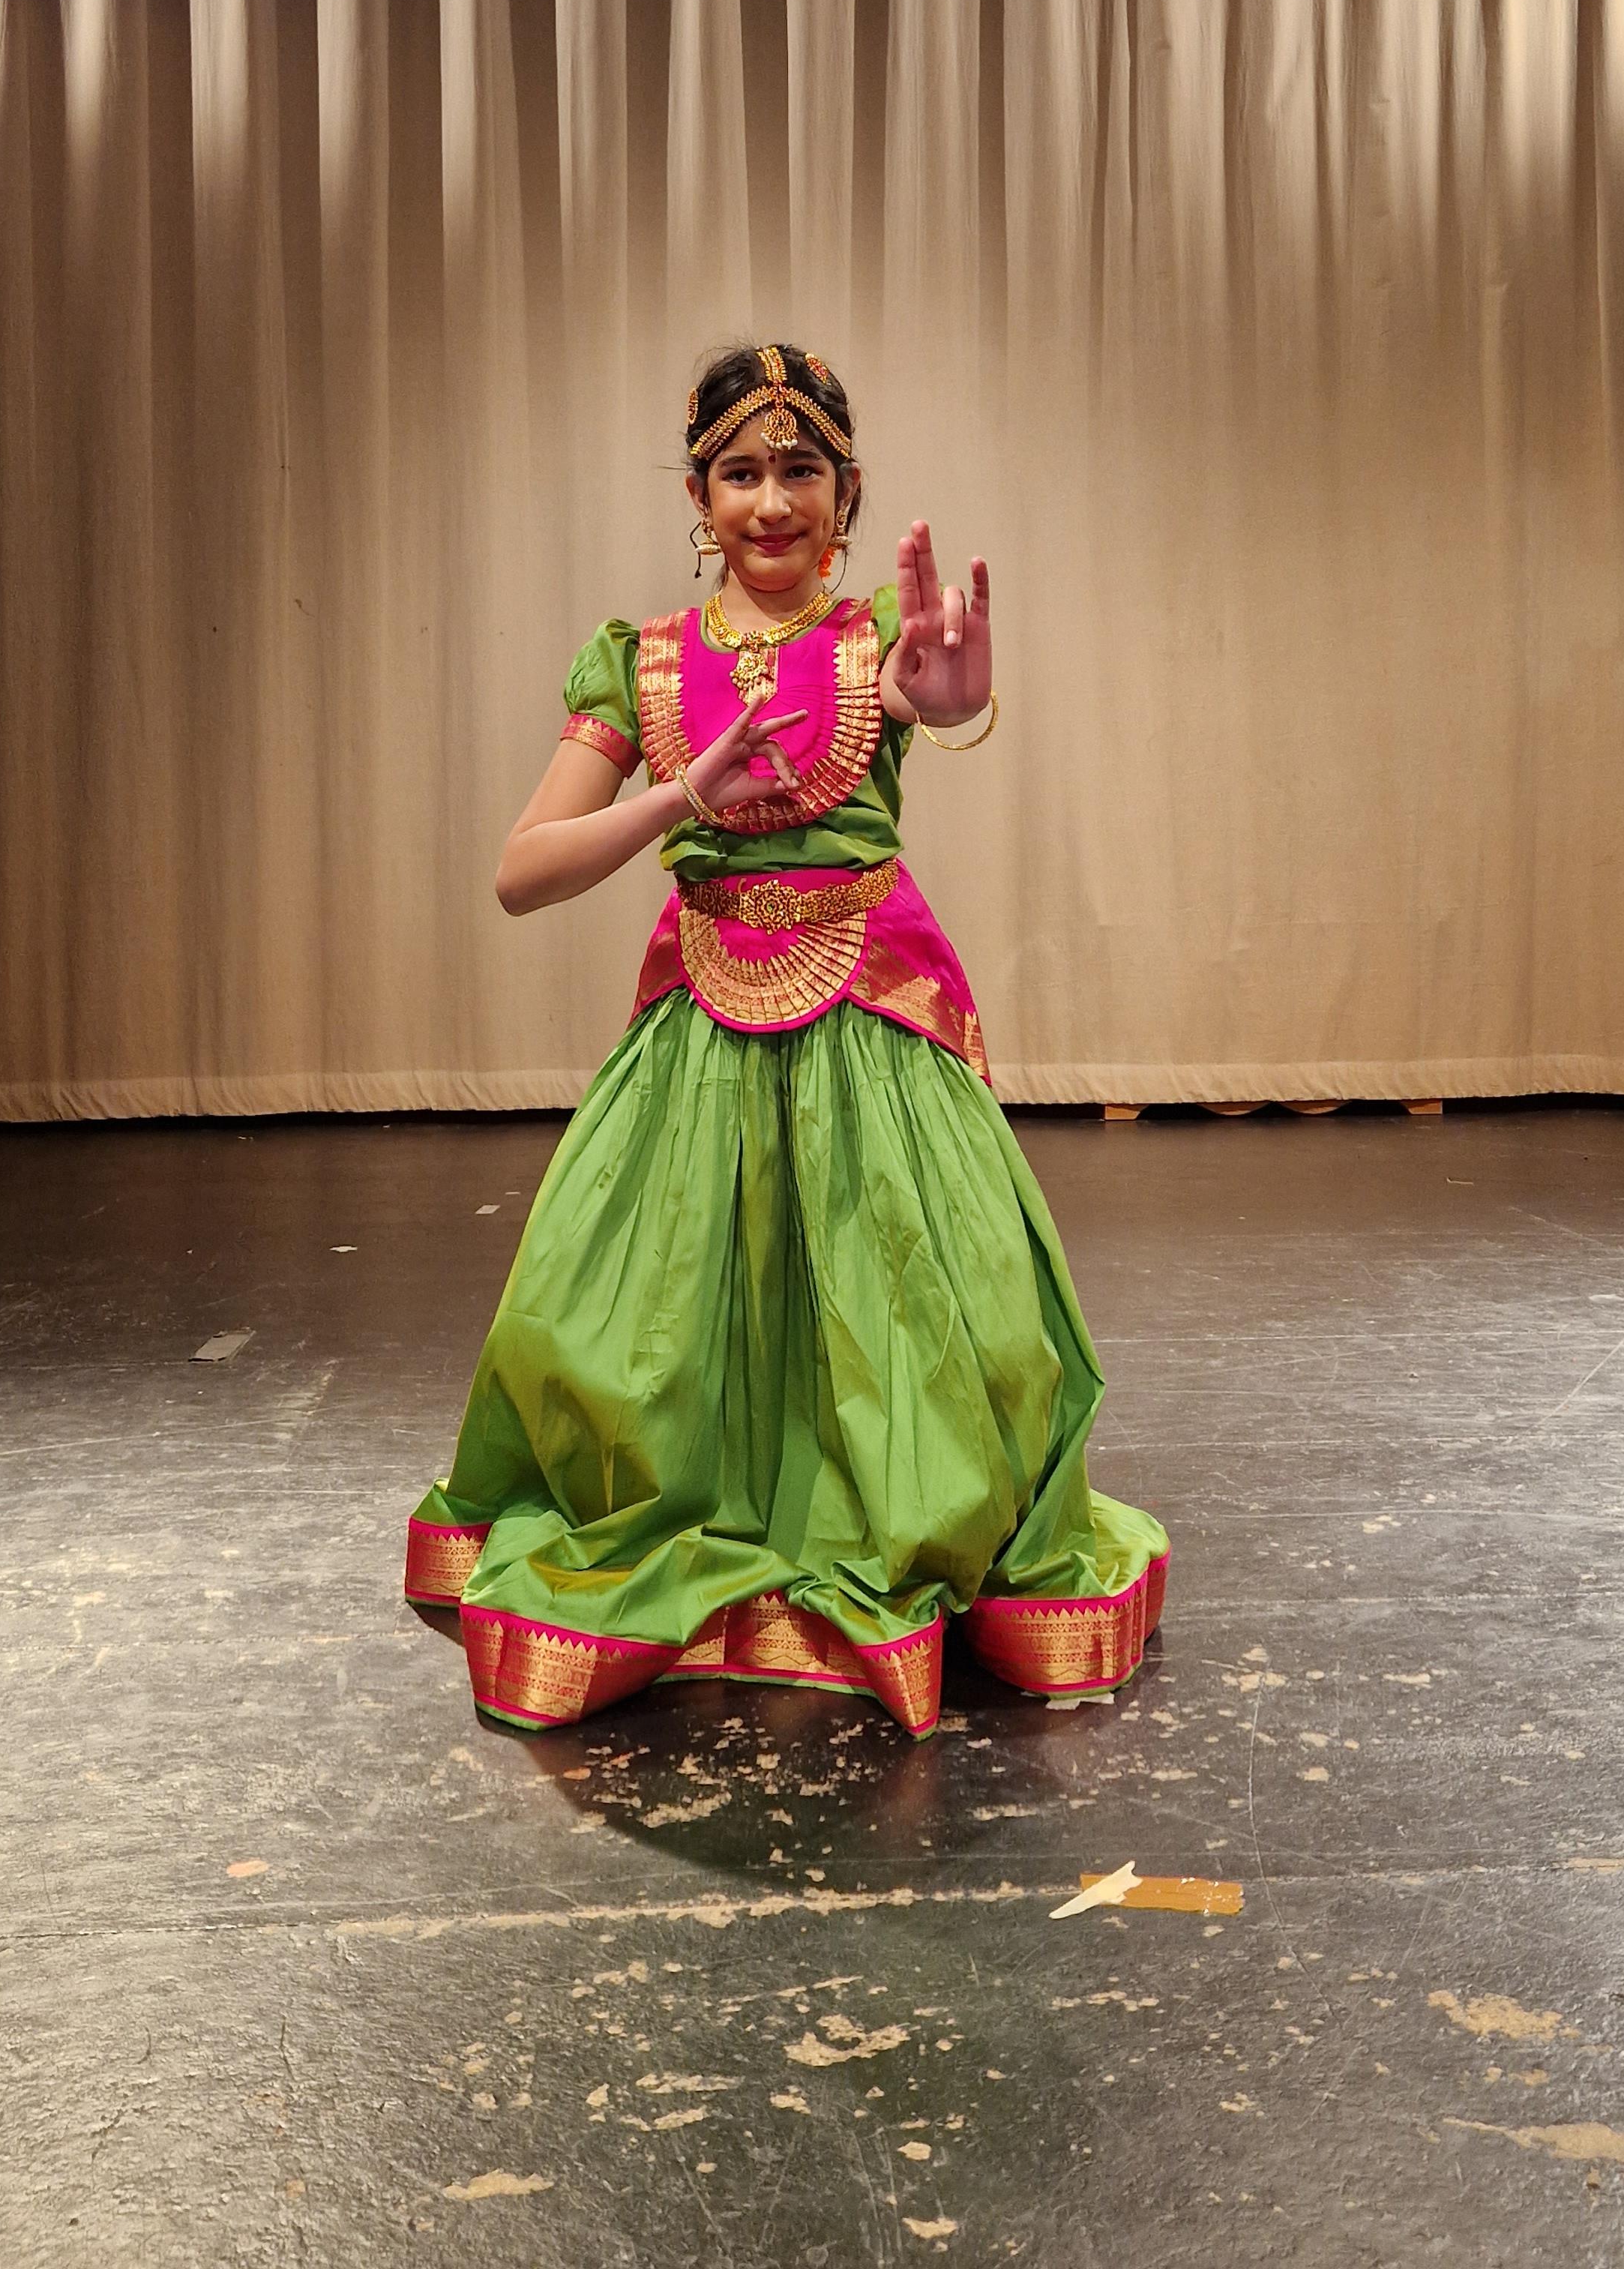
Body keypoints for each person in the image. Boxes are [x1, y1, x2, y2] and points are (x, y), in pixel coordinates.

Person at [404, 343, 1167, 1736]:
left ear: (849, 490)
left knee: (927, 1336)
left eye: (800, 470)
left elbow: (940, 708)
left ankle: (889, 1519)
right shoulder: (641, 664)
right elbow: (524, 873)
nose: (772, 501)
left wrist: (954, 704)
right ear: (699, 495)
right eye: (741, 472)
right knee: (647, 1344)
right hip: (699, 1028)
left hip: (873, 1022)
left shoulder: (882, 639)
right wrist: (679, 794)